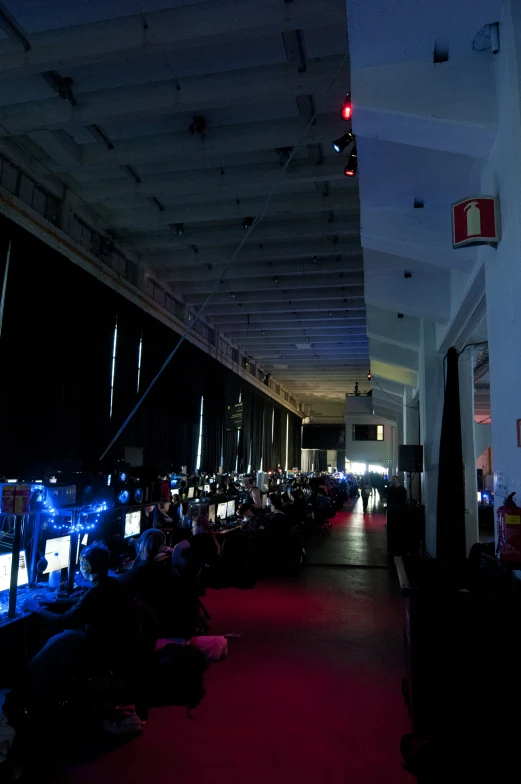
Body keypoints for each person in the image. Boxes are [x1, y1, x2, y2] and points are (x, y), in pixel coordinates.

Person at [7, 543, 133, 722]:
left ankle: (23, 688)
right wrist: (53, 599)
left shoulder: (95, 592)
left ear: (87, 566)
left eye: (83, 563)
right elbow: (81, 601)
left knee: (55, 639)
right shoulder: (111, 584)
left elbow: (63, 620)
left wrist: (35, 608)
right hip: (108, 645)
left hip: (91, 647)